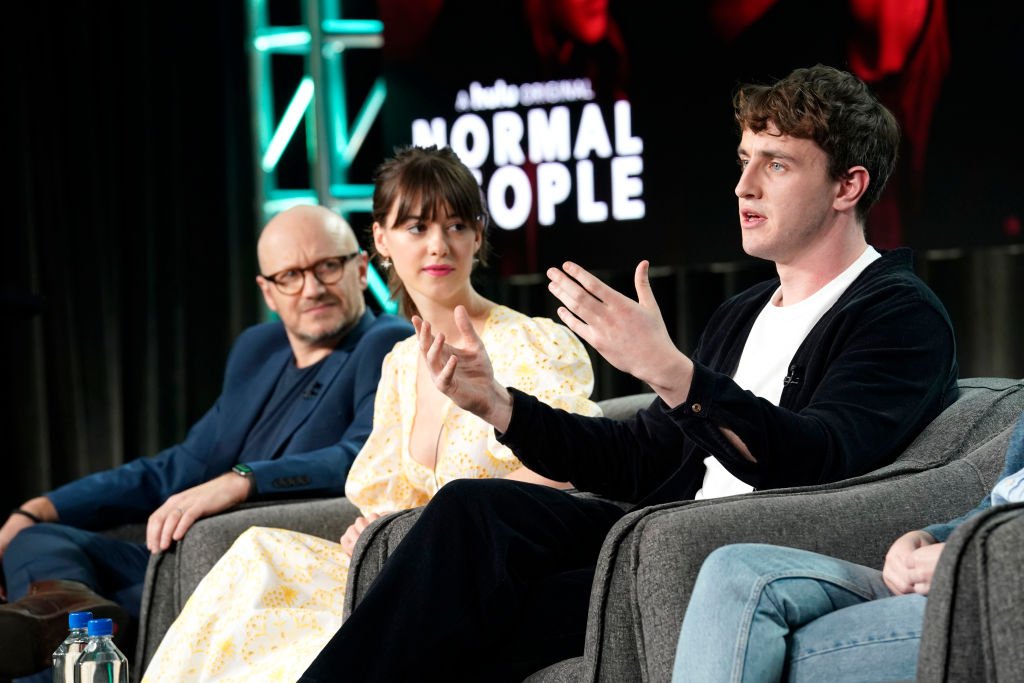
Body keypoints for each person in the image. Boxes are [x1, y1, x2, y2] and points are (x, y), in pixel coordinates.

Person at [297, 64, 960, 683]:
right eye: (744, 160)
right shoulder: (742, 313)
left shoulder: (899, 314)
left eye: (776, 164)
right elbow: (638, 457)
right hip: (660, 538)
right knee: (471, 514)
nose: (744, 185)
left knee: (467, 619)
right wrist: (502, 407)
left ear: (848, 185)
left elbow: (822, 455)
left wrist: (675, 375)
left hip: (738, 553)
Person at [139, 145, 602, 682]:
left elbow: (569, 463)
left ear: (478, 235)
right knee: (256, 556)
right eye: (416, 227)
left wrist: (421, 531)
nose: (438, 245)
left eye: (456, 225)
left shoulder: (533, 343)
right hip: (398, 566)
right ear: (380, 239)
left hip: (485, 571)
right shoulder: (401, 362)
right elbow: (385, 498)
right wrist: (374, 531)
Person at [0, 205, 414, 680]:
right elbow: (178, 467)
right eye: (291, 276)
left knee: (91, 630)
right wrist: (43, 506)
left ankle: (61, 643)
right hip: (183, 552)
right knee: (39, 540)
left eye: (328, 266)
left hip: (250, 562)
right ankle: (60, 619)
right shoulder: (258, 349)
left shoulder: (387, 342)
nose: (313, 288)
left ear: (360, 269)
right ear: (268, 292)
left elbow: (358, 457)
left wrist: (242, 482)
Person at [672, 409, 1024, 682]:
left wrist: (981, 556)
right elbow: (1000, 501)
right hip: (971, 564)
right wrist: (932, 537)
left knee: (744, 650)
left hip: (1002, 588)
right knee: (734, 570)